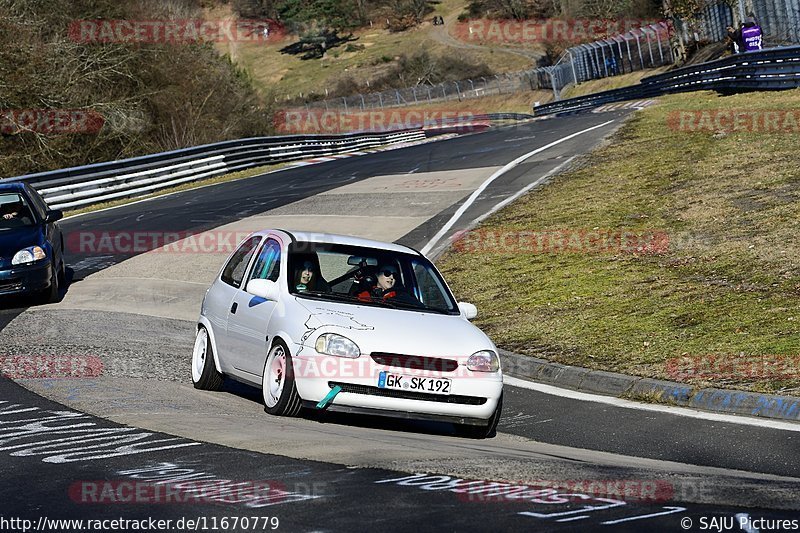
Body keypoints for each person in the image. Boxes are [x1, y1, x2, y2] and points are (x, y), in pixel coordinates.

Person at [357, 264, 422, 307]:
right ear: (377, 274)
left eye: (395, 275)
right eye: (387, 273)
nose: (391, 277)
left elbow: (419, 308)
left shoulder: (403, 296)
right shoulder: (364, 295)